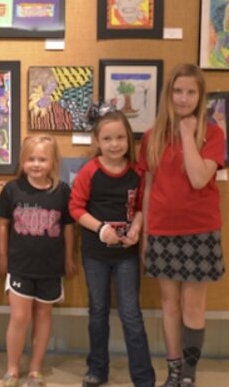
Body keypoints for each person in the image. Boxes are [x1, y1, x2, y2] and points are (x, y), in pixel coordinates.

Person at [139, 64, 225, 387]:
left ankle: (189, 374)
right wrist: (146, 234)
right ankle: (174, 370)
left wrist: (188, 134)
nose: (184, 98)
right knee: (168, 303)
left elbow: (200, 177)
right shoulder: (152, 136)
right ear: (168, 94)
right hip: (162, 231)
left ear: (200, 96)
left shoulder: (212, 133)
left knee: (193, 305)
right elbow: (148, 186)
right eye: (178, 91)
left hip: (200, 231)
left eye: (191, 92)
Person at [69, 111, 155, 387]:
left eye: (120, 137)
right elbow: (75, 207)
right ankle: (97, 369)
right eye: (107, 138)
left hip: (127, 255)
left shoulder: (137, 173)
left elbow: (142, 207)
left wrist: (137, 229)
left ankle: (143, 377)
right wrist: (100, 228)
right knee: (98, 312)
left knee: (131, 314)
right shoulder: (90, 171)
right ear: (97, 140)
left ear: (129, 139)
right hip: (95, 255)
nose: (115, 144)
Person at [0, 135, 75, 387]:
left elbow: (69, 227)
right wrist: (2, 256)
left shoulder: (62, 191)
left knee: (43, 316)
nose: (36, 164)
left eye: (42, 159)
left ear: (53, 162)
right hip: (20, 266)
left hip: (51, 267)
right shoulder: (12, 189)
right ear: (23, 161)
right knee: (19, 318)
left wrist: (69, 257)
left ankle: (35, 369)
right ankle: (12, 368)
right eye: (31, 159)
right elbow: (2, 224)